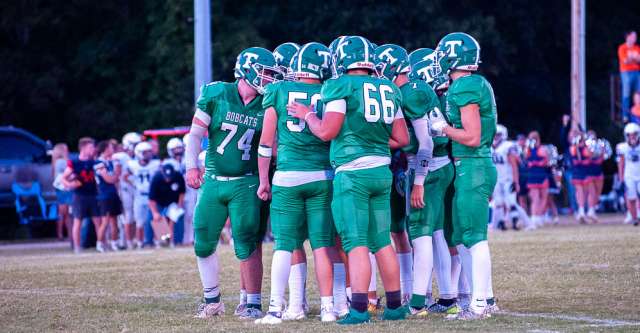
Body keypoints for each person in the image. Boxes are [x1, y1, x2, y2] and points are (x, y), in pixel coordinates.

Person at [289, 36, 410, 324]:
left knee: (355, 242)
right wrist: (374, 144)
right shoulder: (389, 88)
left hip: (353, 173)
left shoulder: (339, 85)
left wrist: (307, 116)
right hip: (381, 171)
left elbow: (327, 131)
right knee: (381, 240)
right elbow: (402, 138)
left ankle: (358, 309)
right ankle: (395, 305)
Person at [185, 47, 279, 320]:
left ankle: (251, 303)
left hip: (246, 182)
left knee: (247, 241)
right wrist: (191, 166)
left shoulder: (268, 102)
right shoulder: (216, 93)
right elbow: (193, 136)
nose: (269, 80)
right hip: (213, 179)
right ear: (247, 70)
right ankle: (212, 300)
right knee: (202, 239)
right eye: (265, 73)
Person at [254, 42, 343, 324]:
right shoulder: (330, 90)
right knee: (322, 245)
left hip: (288, 176)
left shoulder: (277, 90)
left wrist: (263, 180)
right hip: (322, 175)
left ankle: (277, 309)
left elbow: (266, 143)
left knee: (285, 244)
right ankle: (329, 308)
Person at [429, 32, 497, 320]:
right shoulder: (469, 83)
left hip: (474, 164)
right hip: (470, 166)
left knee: (474, 236)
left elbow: (471, 136)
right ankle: (484, 299)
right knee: (460, 235)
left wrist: (442, 129)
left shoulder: (465, 86)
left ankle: (480, 304)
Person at [374, 44, 415, 309]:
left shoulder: (404, 95)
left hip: (398, 168)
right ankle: (409, 291)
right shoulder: (390, 92)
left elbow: (406, 138)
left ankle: (409, 290)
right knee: (394, 233)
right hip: (396, 168)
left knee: (393, 232)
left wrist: (373, 142)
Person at [61, 137, 100, 254]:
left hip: (93, 194)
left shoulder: (94, 162)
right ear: (83, 148)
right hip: (80, 195)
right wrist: (70, 185)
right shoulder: (75, 162)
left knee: (98, 221)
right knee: (78, 221)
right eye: (90, 147)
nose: (93, 149)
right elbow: (63, 178)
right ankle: (77, 247)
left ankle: (101, 244)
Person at [491, 125, 532, 230]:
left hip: (508, 179)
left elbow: (514, 165)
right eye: (494, 134)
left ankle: (529, 224)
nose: (495, 137)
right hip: (497, 179)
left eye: (498, 134)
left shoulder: (508, 146)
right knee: (498, 202)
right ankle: (496, 225)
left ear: (503, 135)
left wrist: (516, 182)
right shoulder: (490, 147)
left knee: (512, 202)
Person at [124, 141, 161, 248]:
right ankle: (140, 242)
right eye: (145, 152)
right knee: (139, 222)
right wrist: (134, 184)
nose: (149, 154)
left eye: (149, 152)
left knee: (155, 219)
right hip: (139, 196)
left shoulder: (156, 164)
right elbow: (125, 176)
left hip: (152, 196)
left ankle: (157, 241)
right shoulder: (132, 164)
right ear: (138, 153)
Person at [113, 132, 142, 249]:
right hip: (125, 189)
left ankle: (134, 240)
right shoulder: (121, 157)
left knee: (137, 216)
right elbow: (118, 175)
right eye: (135, 144)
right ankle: (125, 241)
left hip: (136, 189)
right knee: (127, 216)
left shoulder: (138, 156)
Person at [148, 164, 186, 247]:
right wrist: (155, 213)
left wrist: (179, 206)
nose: (168, 179)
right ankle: (161, 241)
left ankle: (176, 241)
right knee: (157, 218)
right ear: (162, 173)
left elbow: (182, 192)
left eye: (170, 176)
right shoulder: (156, 178)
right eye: (166, 176)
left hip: (173, 203)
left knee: (176, 219)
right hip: (159, 203)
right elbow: (151, 199)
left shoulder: (178, 176)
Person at [94, 140, 122, 252]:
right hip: (105, 195)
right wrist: (117, 173)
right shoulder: (99, 163)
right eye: (111, 147)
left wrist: (116, 175)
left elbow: (115, 179)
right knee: (105, 221)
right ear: (105, 149)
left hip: (113, 194)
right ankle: (100, 244)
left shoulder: (109, 162)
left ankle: (114, 243)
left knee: (114, 221)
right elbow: (110, 179)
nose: (113, 149)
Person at [524, 131, 550, 228]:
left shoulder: (532, 149)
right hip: (538, 176)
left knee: (538, 199)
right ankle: (537, 218)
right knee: (540, 198)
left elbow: (526, 160)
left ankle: (536, 218)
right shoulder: (537, 149)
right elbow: (546, 161)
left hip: (536, 176)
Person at [617, 123, 640, 226]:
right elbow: (621, 163)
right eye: (629, 135)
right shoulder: (622, 147)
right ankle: (635, 218)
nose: (632, 137)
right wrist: (621, 178)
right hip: (629, 175)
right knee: (631, 198)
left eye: (634, 134)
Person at [618, 31, 640, 122]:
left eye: (635, 36)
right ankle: (625, 115)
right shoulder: (622, 48)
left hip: (636, 71)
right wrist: (633, 58)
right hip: (626, 72)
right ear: (628, 37)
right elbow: (625, 60)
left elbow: (638, 59)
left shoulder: (637, 47)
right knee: (626, 93)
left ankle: (637, 112)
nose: (635, 38)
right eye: (633, 36)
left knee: (638, 92)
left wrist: (632, 58)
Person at [569, 131, 591, 223]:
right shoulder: (573, 148)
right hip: (577, 172)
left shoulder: (585, 148)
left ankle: (582, 211)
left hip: (585, 172)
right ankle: (581, 211)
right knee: (579, 192)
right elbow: (574, 160)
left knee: (585, 193)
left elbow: (588, 159)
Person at [52, 143, 72, 241]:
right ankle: (61, 234)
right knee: (64, 212)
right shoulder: (61, 162)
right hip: (63, 188)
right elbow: (65, 174)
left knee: (65, 213)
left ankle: (67, 233)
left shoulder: (56, 162)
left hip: (61, 188)